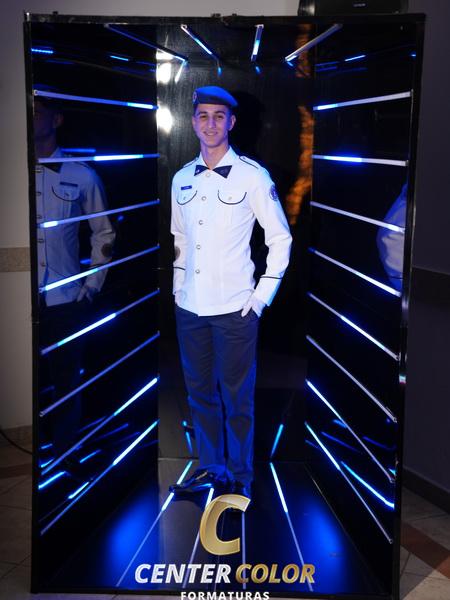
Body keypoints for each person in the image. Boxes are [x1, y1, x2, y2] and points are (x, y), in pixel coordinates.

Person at [169, 86, 292, 500]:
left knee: (237, 399)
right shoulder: (181, 178)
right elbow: (180, 239)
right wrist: (178, 290)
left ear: (232, 122)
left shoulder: (253, 176)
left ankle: (240, 476)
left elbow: (280, 239)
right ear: (193, 122)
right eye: (203, 115)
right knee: (199, 394)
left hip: (236, 310)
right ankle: (211, 468)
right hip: (190, 307)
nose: (210, 124)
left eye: (218, 116)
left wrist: (260, 299)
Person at [34, 93, 115, 475]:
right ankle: (27, 452)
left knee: (67, 380)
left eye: (39, 111)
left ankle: (65, 454)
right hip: (18, 299)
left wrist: (93, 284)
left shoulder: (82, 175)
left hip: (65, 298)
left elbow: (104, 232)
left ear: (57, 119)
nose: (31, 117)